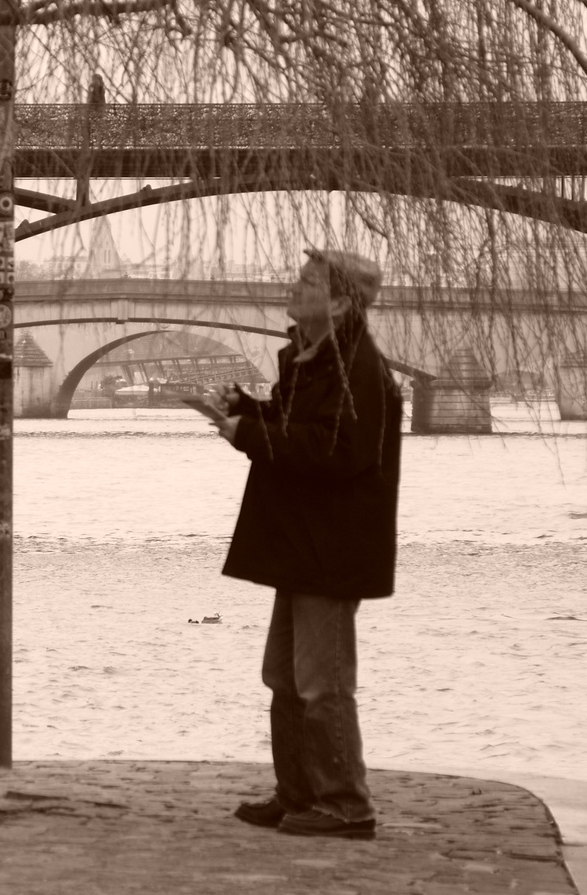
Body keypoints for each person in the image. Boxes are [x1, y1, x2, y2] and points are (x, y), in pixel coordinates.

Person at [209, 248, 402, 841]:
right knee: (285, 677)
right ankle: (298, 794)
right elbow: (303, 424)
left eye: (307, 282)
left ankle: (346, 805)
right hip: (303, 547)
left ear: (340, 303)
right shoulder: (317, 360)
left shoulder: (357, 370)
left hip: (330, 551)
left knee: (323, 683)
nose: (293, 287)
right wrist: (250, 410)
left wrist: (251, 437)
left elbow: (335, 451)